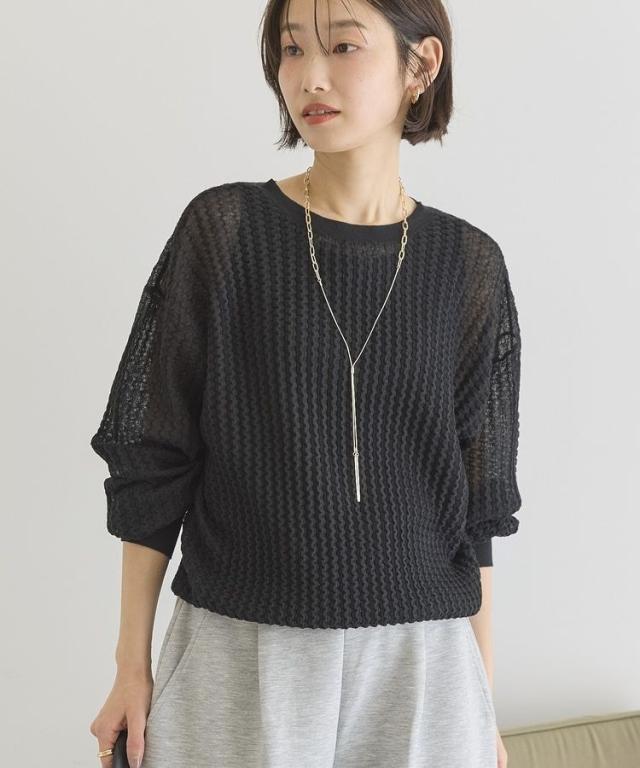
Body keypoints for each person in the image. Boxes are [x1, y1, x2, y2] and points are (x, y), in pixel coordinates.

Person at [88, 1, 523, 766]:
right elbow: (152, 461)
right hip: (242, 646)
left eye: (343, 47)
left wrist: (482, 703)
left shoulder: (468, 264)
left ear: (421, 65)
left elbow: (476, 511)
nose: (309, 77)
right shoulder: (225, 231)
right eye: (291, 50)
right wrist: (131, 667)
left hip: (423, 662)